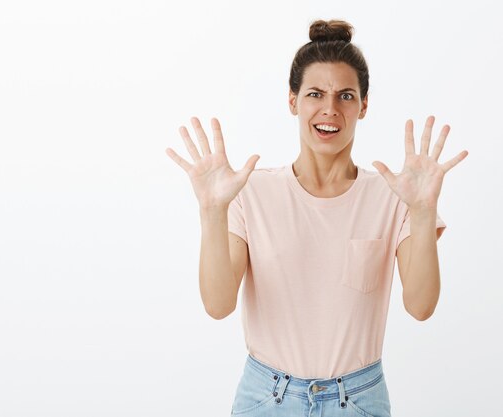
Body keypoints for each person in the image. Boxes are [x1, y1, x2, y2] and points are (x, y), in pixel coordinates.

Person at [165, 19, 468, 417]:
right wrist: (212, 211)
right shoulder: (249, 192)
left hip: (358, 400)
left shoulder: (394, 196)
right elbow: (218, 304)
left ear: (363, 105)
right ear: (292, 101)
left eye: (345, 96)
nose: (330, 109)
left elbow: (421, 306)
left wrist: (423, 212)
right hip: (266, 399)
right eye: (314, 94)